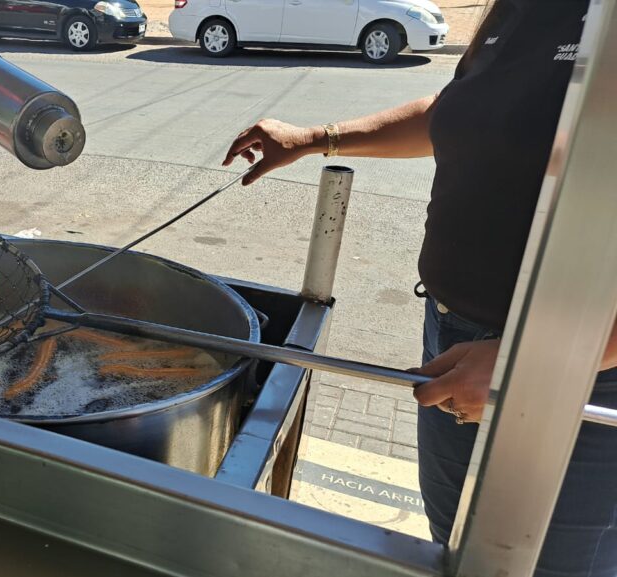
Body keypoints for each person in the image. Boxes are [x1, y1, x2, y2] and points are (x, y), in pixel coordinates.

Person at [222, 1, 617, 574]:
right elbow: (455, 112)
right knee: (455, 550)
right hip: (456, 340)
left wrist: (531, 365)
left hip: (579, 380)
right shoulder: (524, 9)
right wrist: (315, 137)